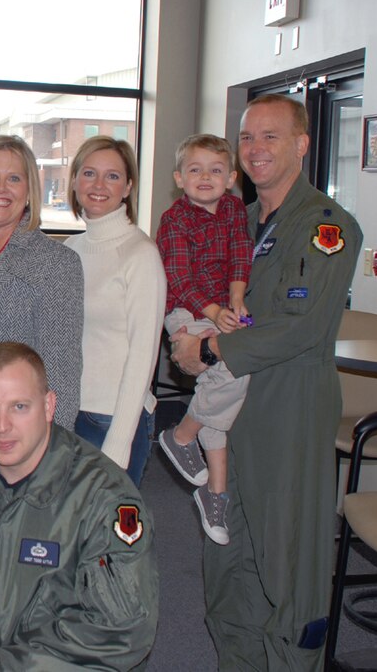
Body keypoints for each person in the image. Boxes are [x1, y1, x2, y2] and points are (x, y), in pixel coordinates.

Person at [171, 95, 362, 671]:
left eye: (270, 136)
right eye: (247, 137)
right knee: (229, 558)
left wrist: (209, 348)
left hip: (288, 405)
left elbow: (300, 325)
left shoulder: (326, 226)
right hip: (232, 410)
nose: (254, 149)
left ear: (302, 144)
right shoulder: (235, 218)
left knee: (287, 560)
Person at [0, 342, 158, 669]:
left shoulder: (104, 499)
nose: (2, 426)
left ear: (48, 406)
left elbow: (121, 629)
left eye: (19, 407)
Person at [0, 135, 83, 453]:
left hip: (11, 438)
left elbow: (61, 374)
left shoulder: (56, 263)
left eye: (13, 179)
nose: (1, 189)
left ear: (29, 192)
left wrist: (51, 458)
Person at [155, 134, 251, 546]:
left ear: (231, 178)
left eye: (215, 170)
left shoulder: (234, 210)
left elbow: (241, 253)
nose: (205, 177)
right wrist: (213, 313)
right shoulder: (174, 219)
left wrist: (236, 299)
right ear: (179, 178)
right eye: (195, 170)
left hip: (221, 306)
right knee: (233, 371)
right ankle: (180, 436)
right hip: (185, 308)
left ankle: (215, 493)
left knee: (221, 387)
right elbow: (178, 277)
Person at [64, 136, 166, 486]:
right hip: (68, 412)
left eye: (112, 176)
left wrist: (119, 443)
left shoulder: (140, 254)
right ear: (74, 180)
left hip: (114, 419)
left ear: (128, 187)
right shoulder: (70, 248)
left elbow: (144, 354)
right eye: (89, 173)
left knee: (109, 520)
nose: (98, 185)